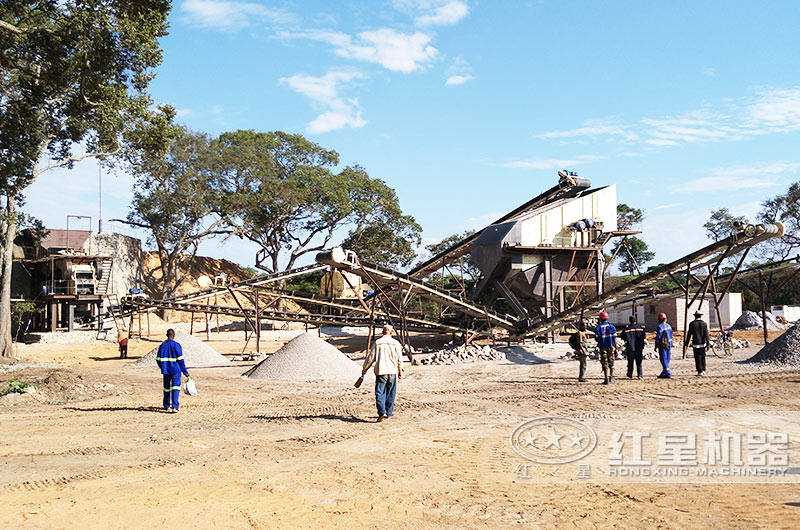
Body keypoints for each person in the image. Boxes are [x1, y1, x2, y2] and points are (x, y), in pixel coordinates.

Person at [361, 324, 404, 422]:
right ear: (391, 332)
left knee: (380, 392)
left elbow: (370, 358)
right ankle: (388, 413)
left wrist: (365, 369)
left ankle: (382, 412)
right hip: (392, 371)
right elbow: (399, 358)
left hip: (381, 371)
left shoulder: (378, 342)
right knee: (391, 393)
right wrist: (400, 370)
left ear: (382, 332)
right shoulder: (396, 343)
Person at [156, 329, 189, 412]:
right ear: (173, 335)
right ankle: (174, 406)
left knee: (166, 388)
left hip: (166, 370)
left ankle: (166, 405)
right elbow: (180, 360)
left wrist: (163, 367)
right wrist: (185, 372)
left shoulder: (162, 345)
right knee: (176, 387)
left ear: (166, 335)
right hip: (176, 370)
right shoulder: (176, 345)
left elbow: (158, 359)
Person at [594, 311, 618, 384]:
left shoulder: (598, 328)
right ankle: (612, 377)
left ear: (600, 318)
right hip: (611, 346)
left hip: (602, 347)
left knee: (604, 362)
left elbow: (596, 338)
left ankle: (606, 378)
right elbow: (614, 339)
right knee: (611, 362)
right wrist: (616, 348)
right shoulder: (612, 327)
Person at [687, 311, 710, 376]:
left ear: (695, 316)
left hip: (695, 343)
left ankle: (699, 370)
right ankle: (703, 369)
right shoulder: (704, 324)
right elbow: (706, 335)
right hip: (702, 343)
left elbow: (689, 334)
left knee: (697, 357)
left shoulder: (692, 324)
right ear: (700, 316)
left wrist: (686, 343)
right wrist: (708, 344)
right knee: (703, 356)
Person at [655, 313, 674, 379]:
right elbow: (671, 335)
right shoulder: (669, 326)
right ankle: (664, 372)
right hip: (669, 344)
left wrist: (656, 345)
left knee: (663, 359)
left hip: (662, 345)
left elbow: (658, 337)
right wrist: (671, 343)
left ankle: (667, 372)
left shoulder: (660, 327)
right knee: (667, 358)